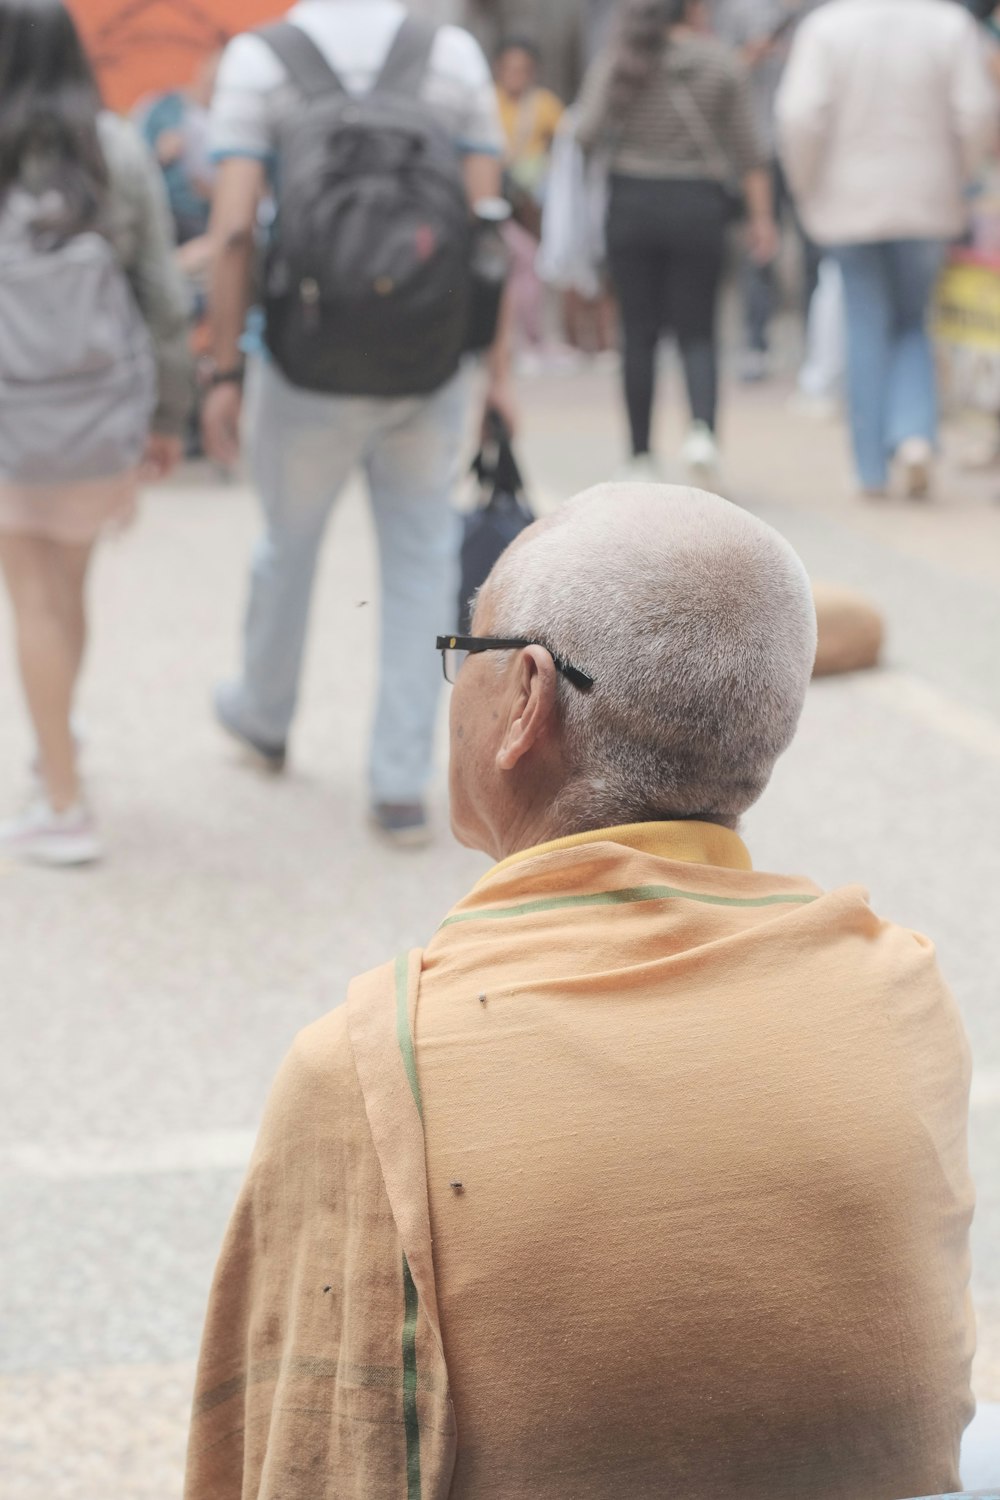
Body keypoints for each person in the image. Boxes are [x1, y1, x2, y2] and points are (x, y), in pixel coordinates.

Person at [185, 482, 975, 1500]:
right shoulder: (899, 990)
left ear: (525, 697)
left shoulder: (371, 1070)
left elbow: (298, 1460)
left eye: (463, 653)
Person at [203, 0, 512, 849]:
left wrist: (223, 368)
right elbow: (489, 237)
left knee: (285, 542)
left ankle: (264, 714)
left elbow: (233, 232)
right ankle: (399, 783)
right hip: (429, 364)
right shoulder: (450, 55)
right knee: (421, 559)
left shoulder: (262, 60)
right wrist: (496, 373)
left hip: (304, 368)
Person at [0, 0, 191, 867]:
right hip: (97, 419)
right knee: (65, 586)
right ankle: (56, 750)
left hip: (12, 418)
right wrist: (170, 416)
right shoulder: (115, 150)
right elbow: (161, 292)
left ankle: (65, 805)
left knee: (30, 596)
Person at [777, 0, 998, 499]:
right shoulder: (949, 24)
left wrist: (807, 187)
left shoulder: (826, 27)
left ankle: (870, 466)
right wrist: (958, 175)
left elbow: (798, 115)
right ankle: (916, 435)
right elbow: (977, 110)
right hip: (928, 197)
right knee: (911, 321)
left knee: (864, 323)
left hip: (847, 199)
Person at [576, 0, 777, 481]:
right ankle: (702, 435)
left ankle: (640, 455)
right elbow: (751, 151)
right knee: (699, 329)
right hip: (698, 207)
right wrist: (762, 218)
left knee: (638, 333)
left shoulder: (622, 57)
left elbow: (584, 131)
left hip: (631, 204)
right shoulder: (720, 62)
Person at [494, 36, 564, 361]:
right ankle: (520, 343)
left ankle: (529, 341)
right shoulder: (487, 102)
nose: (515, 76)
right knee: (520, 264)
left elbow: (568, 143)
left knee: (530, 264)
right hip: (496, 200)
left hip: (534, 202)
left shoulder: (543, 106)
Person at [133, 50, 220, 249]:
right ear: (202, 68)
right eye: (212, 76)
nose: (213, 83)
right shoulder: (162, 107)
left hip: (202, 219)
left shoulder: (227, 119)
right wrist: (158, 154)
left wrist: (214, 192)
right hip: (162, 208)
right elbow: (134, 160)